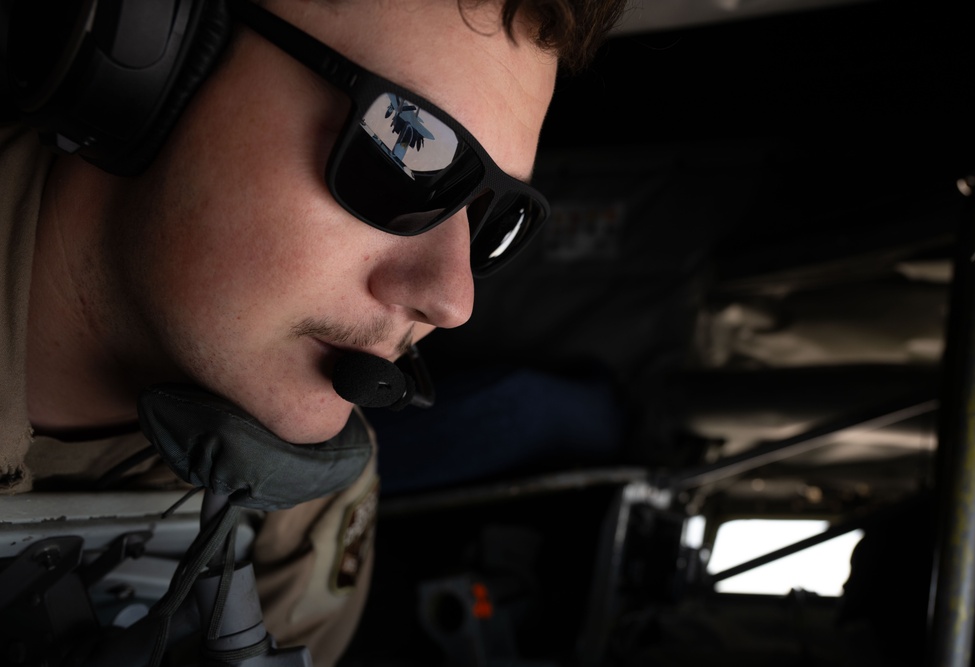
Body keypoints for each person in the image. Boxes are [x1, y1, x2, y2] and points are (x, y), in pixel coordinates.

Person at [0, 0, 626, 664]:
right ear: (154, 54)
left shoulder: (305, 489)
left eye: (495, 220)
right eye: (407, 147)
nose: (451, 299)